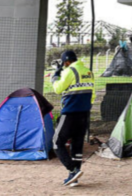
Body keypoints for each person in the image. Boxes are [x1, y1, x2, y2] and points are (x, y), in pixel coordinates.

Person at [52, 50, 96, 188]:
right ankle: (75, 178)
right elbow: (92, 93)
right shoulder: (88, 72)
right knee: (77, 145)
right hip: (84, 113)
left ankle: (72, 170)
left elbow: (58, 89)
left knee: (56, 142)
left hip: (70, 113)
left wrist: (55, 76)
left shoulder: (70, 71)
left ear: (66, 62)